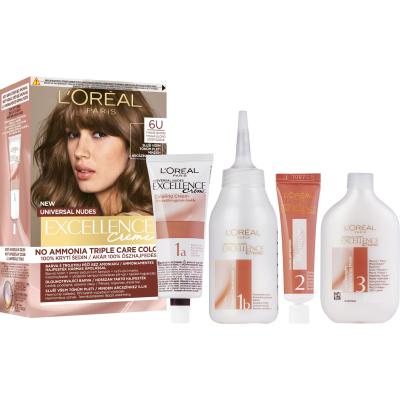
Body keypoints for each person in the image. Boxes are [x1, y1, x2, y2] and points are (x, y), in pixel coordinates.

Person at [31, 89, 156, 216]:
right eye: (73, 135)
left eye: (99, 134)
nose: (79, 152)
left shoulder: (132, 223)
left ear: (131, 145)